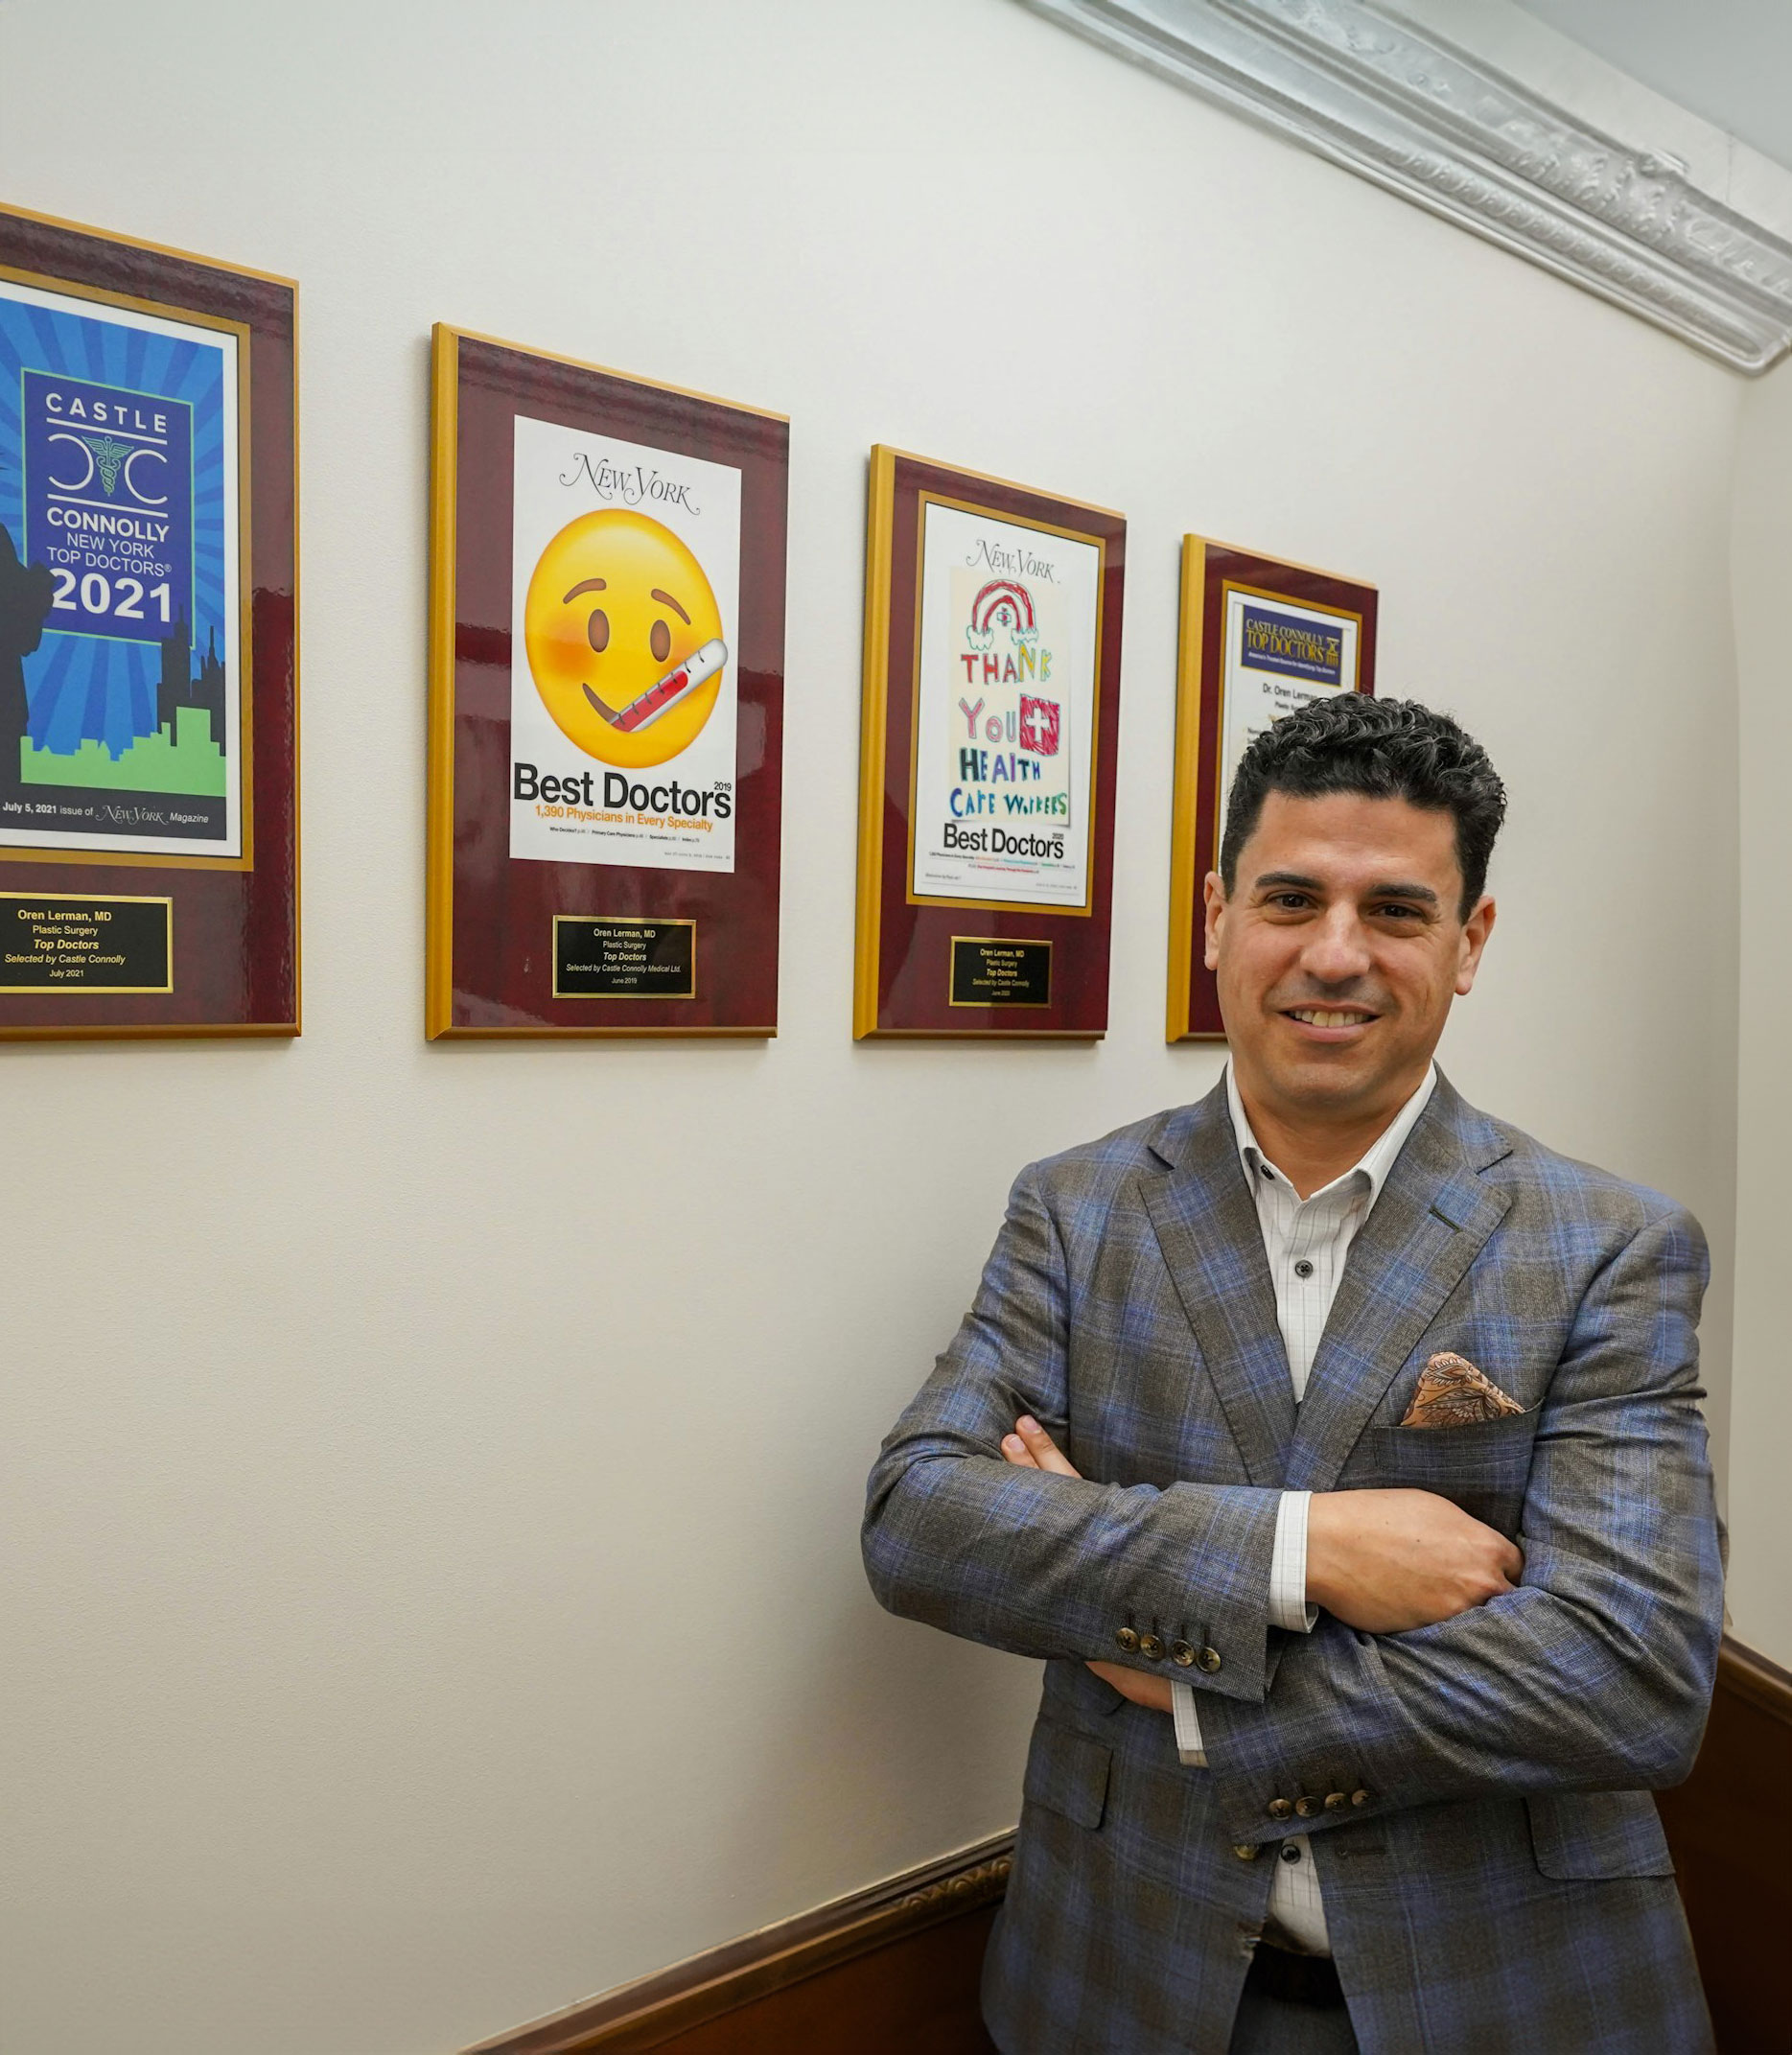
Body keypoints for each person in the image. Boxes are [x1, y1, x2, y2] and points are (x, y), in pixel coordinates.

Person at [862, 695, 1722, 2055]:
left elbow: (1628, 1679)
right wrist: (1303, 1549)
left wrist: (1190, 1692)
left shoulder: (1608, 1245)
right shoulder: (1076, 1213)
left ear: (1468, 942)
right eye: (1289, 899)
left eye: (1396, 910)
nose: (1334, 954)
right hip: (1119, 1970)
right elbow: (922, 1522)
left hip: (1500, 1992)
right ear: (1216, 917)